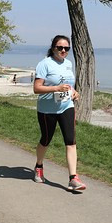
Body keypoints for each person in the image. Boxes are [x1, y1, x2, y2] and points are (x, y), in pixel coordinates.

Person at [32, 35, 86, 192]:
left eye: (66, 48)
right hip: (47, 109)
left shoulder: (68, 64)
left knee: (71, 141)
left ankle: (73, 178)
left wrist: (74, 92)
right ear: (53, 48)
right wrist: (55, 88)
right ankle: (39, 166)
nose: (63, 51)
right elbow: (37, 88)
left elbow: (68, 85)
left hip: (66, 106)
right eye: (60, 48)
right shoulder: (45, 64)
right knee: (46, 140)